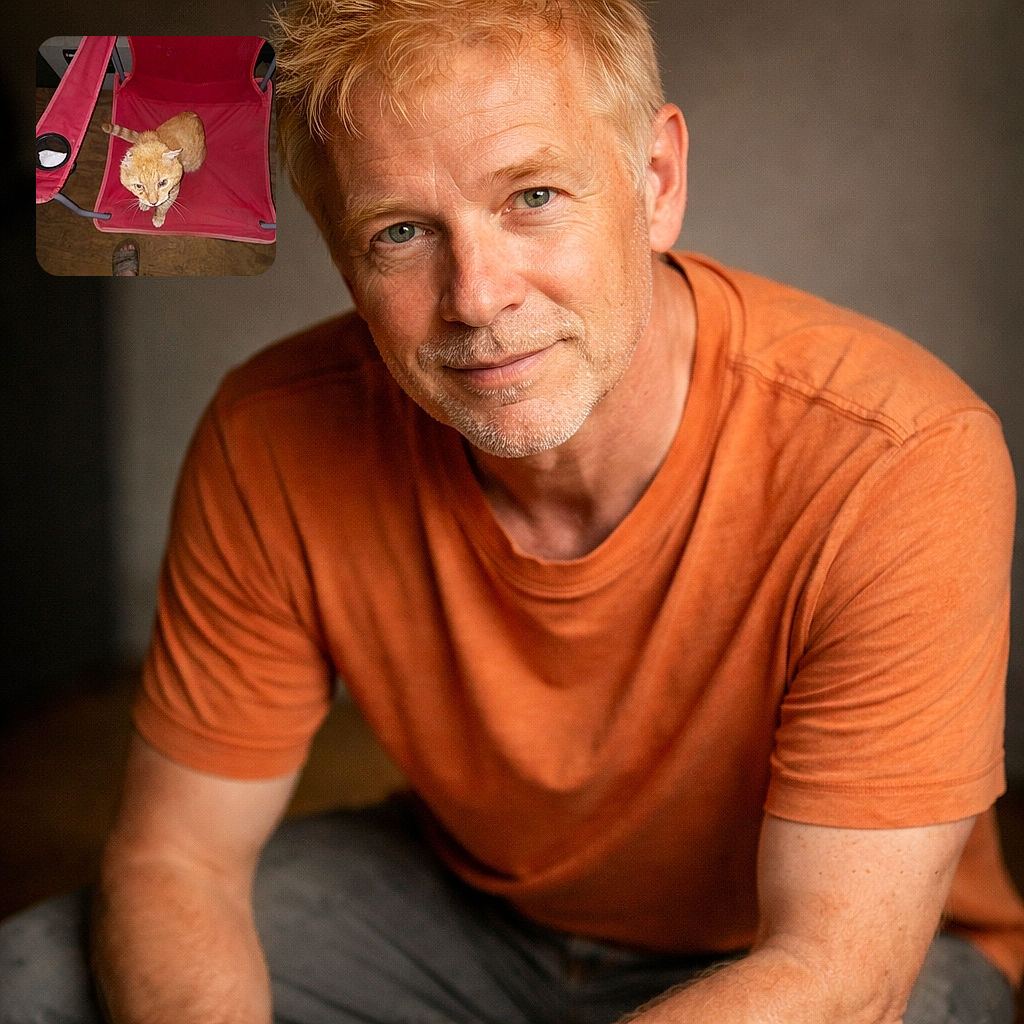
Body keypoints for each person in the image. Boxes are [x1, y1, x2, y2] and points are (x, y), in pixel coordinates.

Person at [3, 1, 1023, 1021]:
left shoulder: (898, 456)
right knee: (39, 978)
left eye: (532, 195)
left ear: (654, 181)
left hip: (808, 947)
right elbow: (180, 854)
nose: (478, 297)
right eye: (399, 231)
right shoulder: (271, 435)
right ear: (340, 254)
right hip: (472, 909)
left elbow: (838, 974)